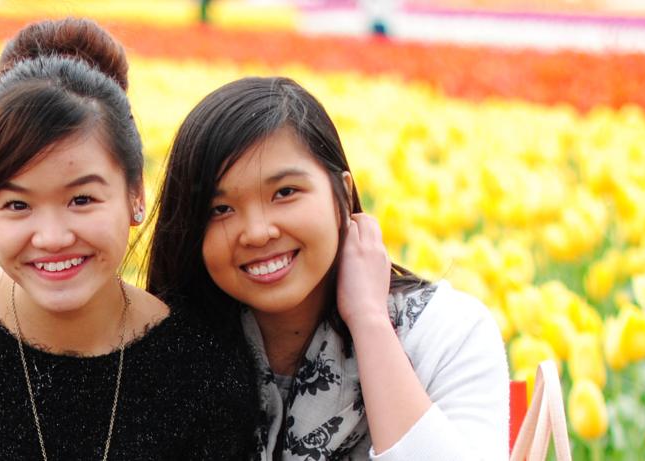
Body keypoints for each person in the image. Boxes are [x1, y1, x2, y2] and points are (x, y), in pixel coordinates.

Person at [0, 18, 262, 460]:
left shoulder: (201, 367)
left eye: (82, 199)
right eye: (18, 205)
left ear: (136, 195)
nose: (52, 238)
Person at [146, 76, 508, 460]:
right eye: (220, 210)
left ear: (343, 195)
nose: (256, 232)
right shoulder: (165, 357)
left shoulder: (444, 333)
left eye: (284, 193)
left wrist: (369, 320)